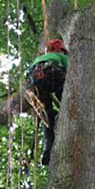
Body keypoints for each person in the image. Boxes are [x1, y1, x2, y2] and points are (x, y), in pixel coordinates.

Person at [24, 39, 68, 167]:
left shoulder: (39, 58)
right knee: (64, 93)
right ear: (60, 49)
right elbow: (73, 71)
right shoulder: (60, 56)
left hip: (32, 81)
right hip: (51, 72)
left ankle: (48, 147)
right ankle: (62, 115)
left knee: (47, 115)